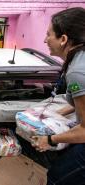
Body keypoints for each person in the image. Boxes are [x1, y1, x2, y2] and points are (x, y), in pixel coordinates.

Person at [31, 7, 85, 185]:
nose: (44, 40)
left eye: (48, 35)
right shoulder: (79, 60)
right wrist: (57, 113)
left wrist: (49, 140)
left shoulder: (77, 71)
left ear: (63, 39)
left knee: (56, 177)